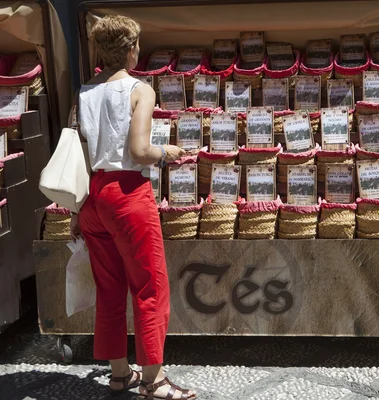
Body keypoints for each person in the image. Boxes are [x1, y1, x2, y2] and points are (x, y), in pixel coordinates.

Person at [69, 15, 196, 400]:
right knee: (149, 287)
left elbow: (79, 155)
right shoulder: (140, 90)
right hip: (127, 196)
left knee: (109, 290)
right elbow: (140, 151)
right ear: (129, 49)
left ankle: (120, 374)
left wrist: (76, 212)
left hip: (92, 195)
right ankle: (154, 381)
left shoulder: (84, 92)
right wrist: (166, 153)